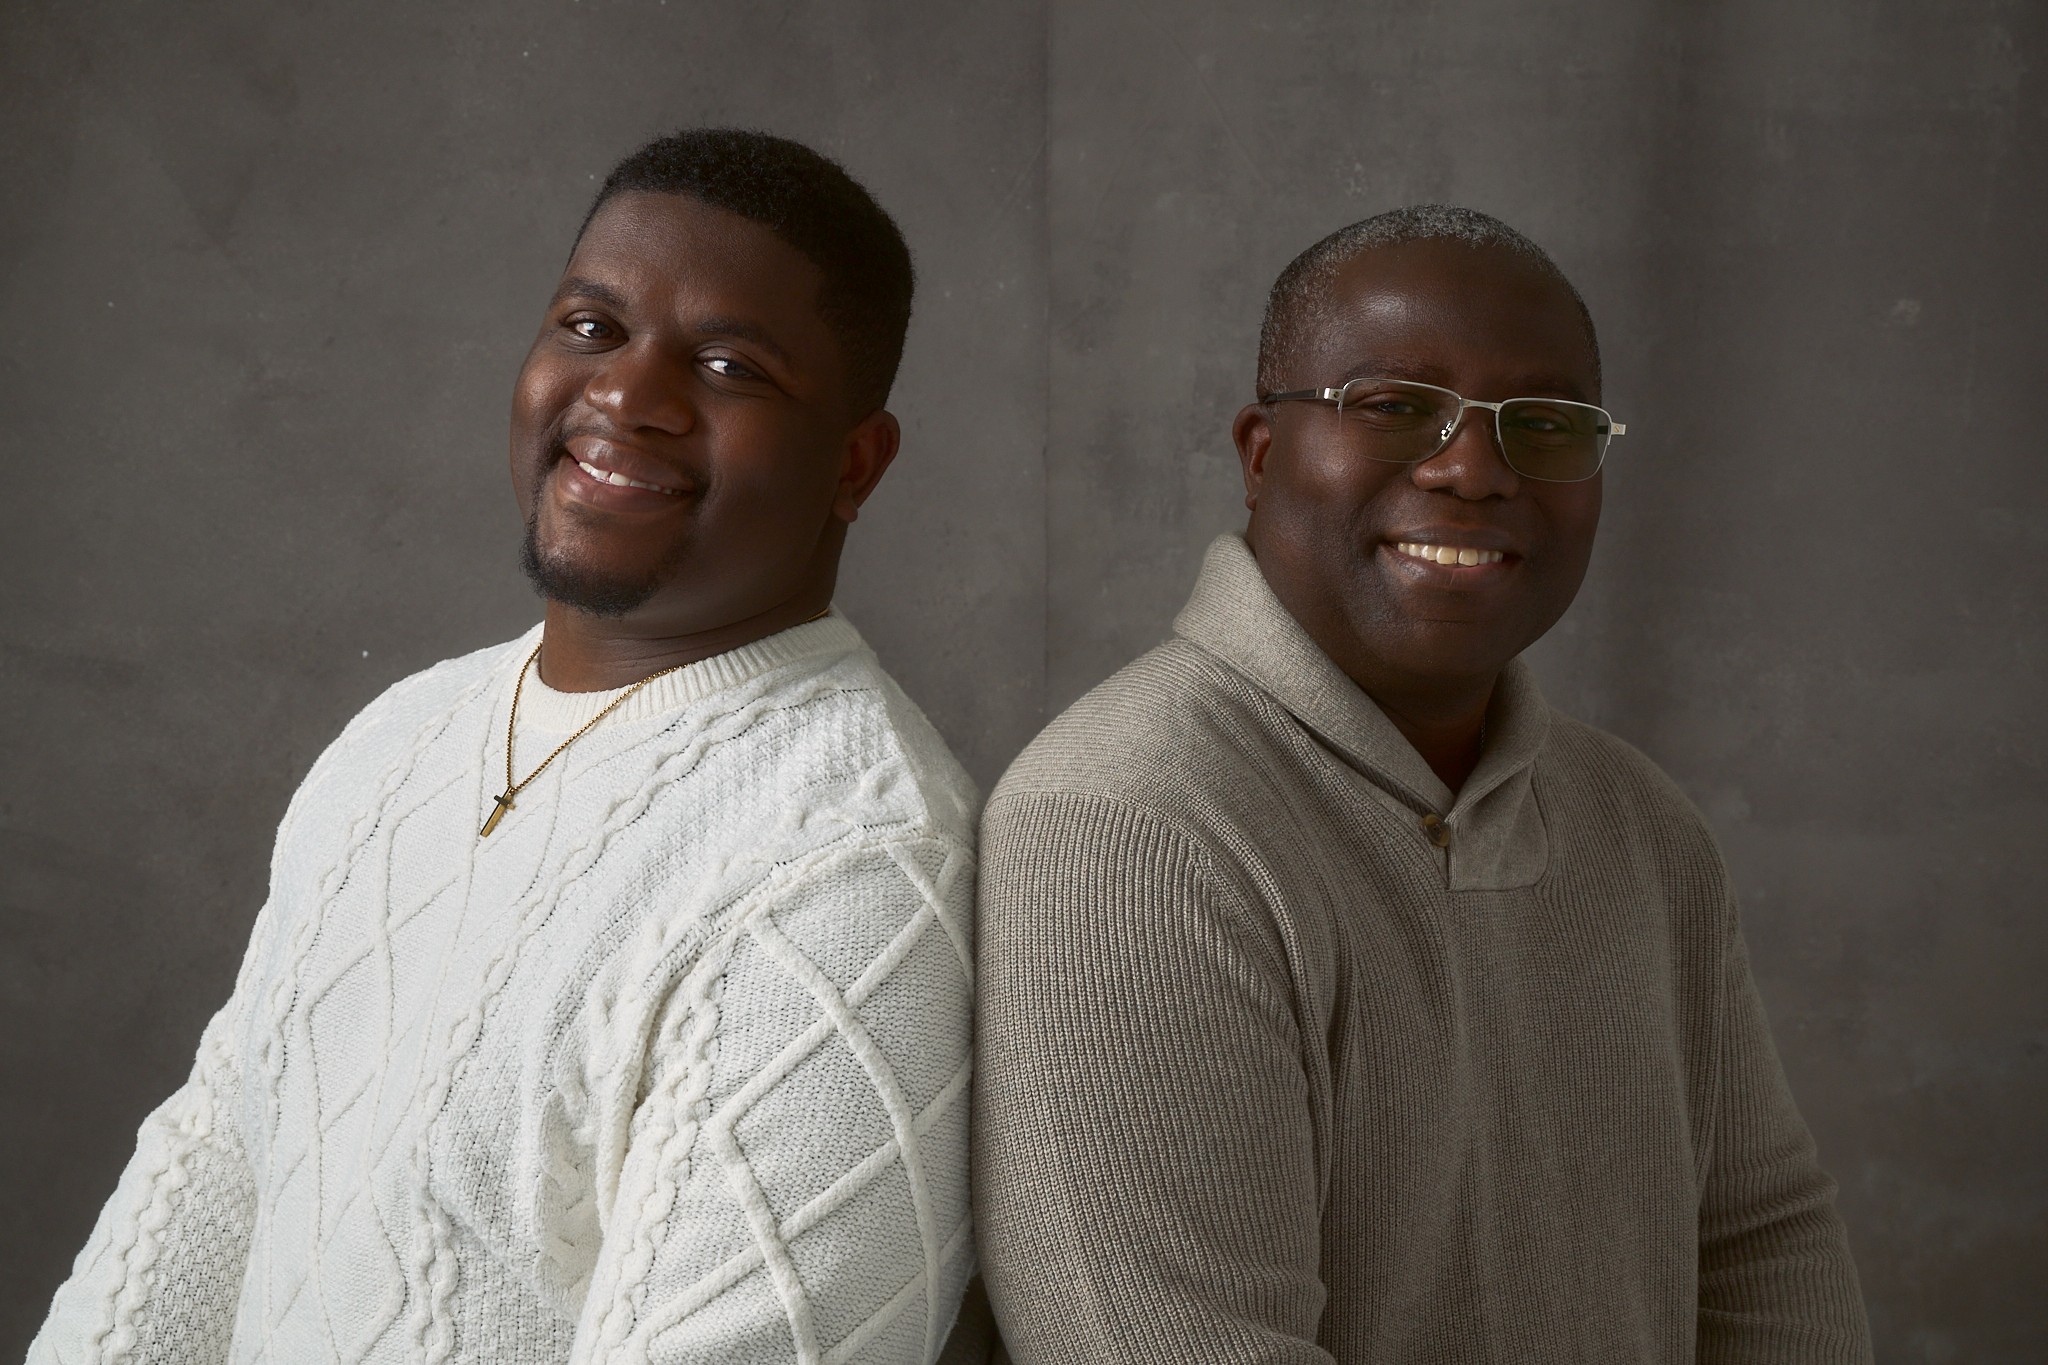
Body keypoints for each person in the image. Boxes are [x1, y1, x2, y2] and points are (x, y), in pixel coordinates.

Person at [31, 128, 980, 1365]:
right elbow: (209, 1176)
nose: (627, 396)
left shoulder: (850, 866)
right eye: (591, 327)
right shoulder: (401, 737)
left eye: (727, 365)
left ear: (854, 463)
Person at [972, 206, 1872, 1363]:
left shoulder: (1641, 825)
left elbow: (1758, 1239)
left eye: (1542, 424)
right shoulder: (1126, 827)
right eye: (1394, 406)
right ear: (1260, 453)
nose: (1470, 471)